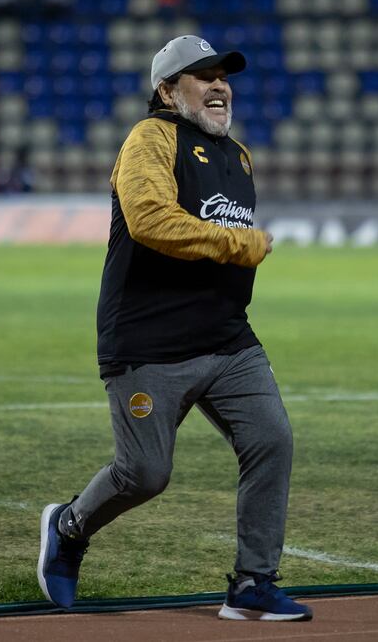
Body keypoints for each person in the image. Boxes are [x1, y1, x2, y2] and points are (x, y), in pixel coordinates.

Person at [36, 35, 312, 622]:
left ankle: (252, 582)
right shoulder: (149, 139)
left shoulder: (237, 155)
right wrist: (236, 244)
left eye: (223, 75)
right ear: (166, 90)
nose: (219, 85)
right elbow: (151, 220)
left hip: (228, 340)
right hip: (149, 343)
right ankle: (69, 526)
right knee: (145, 474)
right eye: (202, 75)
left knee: (272, 440)